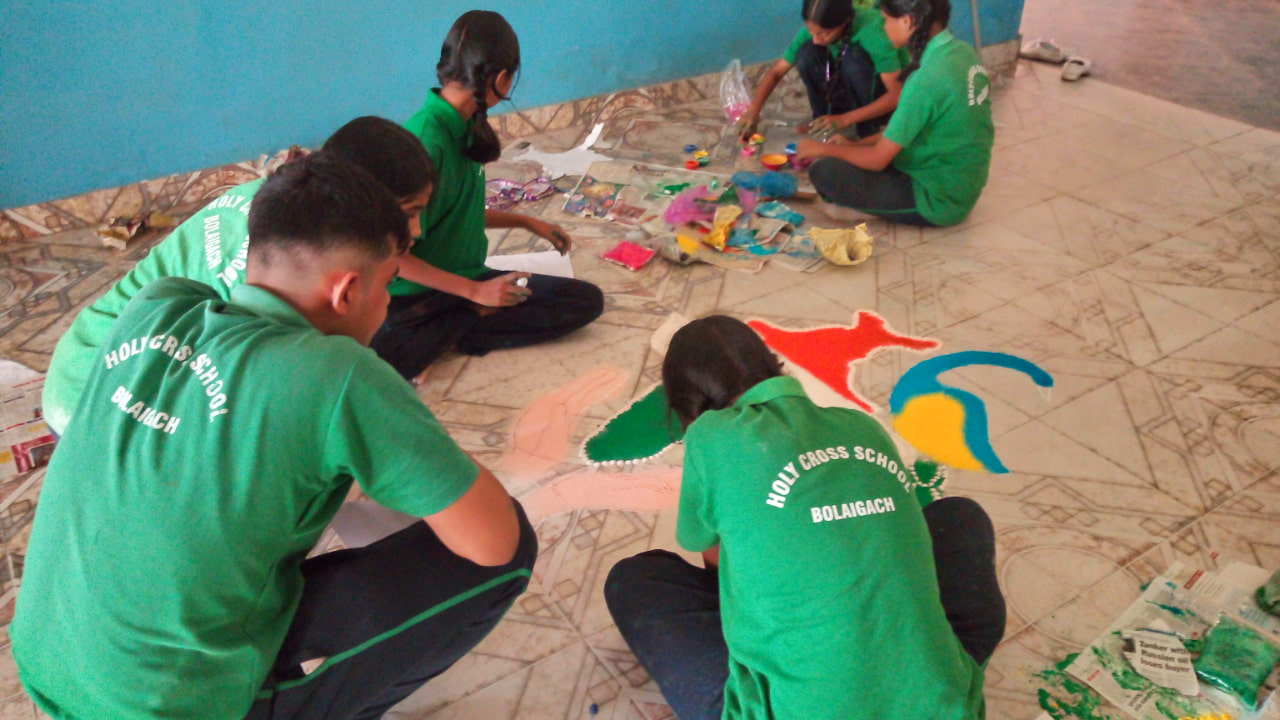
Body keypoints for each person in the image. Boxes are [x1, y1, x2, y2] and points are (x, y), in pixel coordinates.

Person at [11, 153, 537, 720]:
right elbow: (491, 541)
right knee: (512, 550)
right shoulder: (340, 378)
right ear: (347, 291)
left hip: (47, 661)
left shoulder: (157, 305)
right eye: (389, 285)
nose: (389, 306)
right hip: (158, 706)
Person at [604, 315, 1005, 720]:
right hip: (943, 706)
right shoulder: (861, 425)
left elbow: (712, 559)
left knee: (637, 579)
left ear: (687, 403)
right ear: (772, 365)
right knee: (958, 515)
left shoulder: (712, 435)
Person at [42, 116, 438, 436]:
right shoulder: (261, 262)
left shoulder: (283, 202)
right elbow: (261, 391)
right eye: (406, 214)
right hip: (95, 392)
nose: (417, 231)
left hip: (121, 364)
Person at [372, 10, 604, 381]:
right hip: (419, 295)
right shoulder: (423, 143)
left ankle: (448, 330)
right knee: (385, 352)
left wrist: (527, 221)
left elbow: (457, 210)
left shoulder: (465, 124)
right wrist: (475, 294)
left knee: (584, 301)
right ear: (500, 78)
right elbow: (391, 256)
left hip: (467, 280)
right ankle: (458, 321)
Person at [796, 0, 994, 227]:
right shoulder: (961, 52)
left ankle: (878, 210)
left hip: (940, 200)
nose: (884, 26)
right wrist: (850, 146)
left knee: (825, 171)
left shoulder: (925, 79)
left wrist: (824, 149)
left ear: (907, 21)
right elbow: (899, 133)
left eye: (887, 20)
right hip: (962, 182)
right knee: (849, 157)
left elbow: (878, 160)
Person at [737, 0, 904, 142]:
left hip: (882, 101)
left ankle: (867, 130)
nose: (817, 39)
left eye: (825, 33)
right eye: (811, 31)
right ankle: (822, 122)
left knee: (852, 59)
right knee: (806, 53)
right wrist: (753, 110)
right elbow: (776, 72)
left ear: (844, 22)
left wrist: (845, 120)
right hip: (850, 87)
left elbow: (897, 96)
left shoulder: (874, 33)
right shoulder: (818, 28)